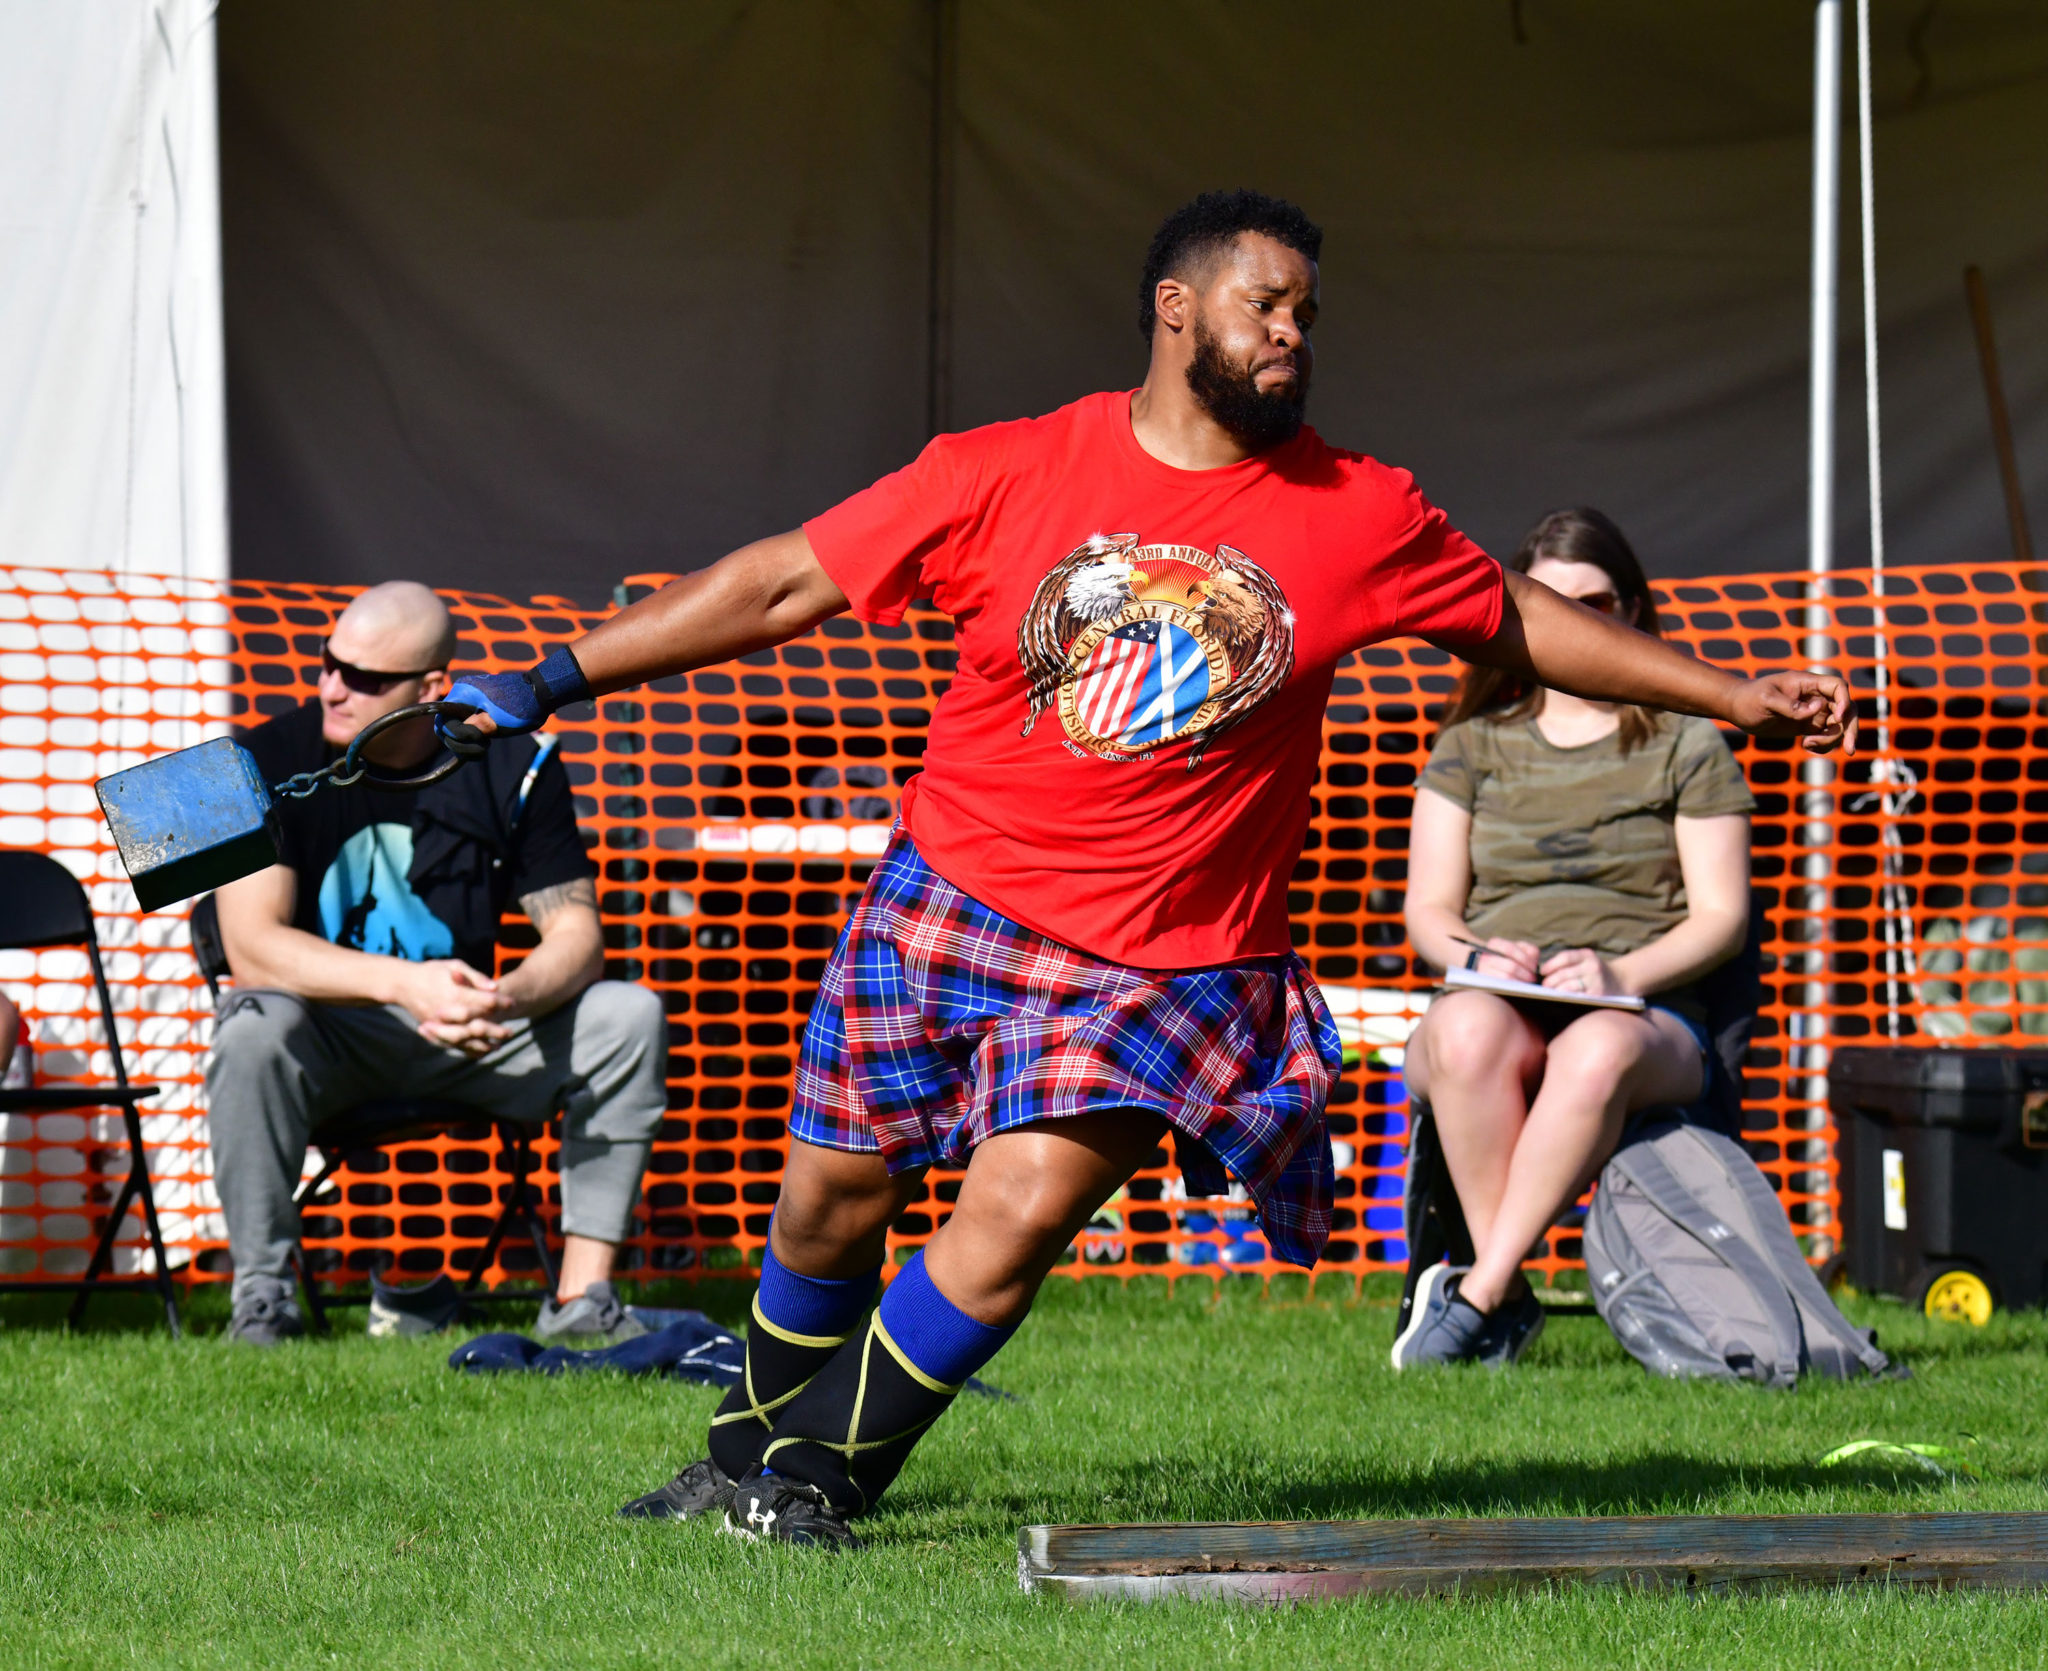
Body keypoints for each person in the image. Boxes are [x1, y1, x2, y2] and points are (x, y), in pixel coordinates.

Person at [443, 191, 1854, 1548]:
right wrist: (553, 675)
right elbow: (777, 583)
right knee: (829, 1200)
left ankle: (816, 1473)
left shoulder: (1358, 510)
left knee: (1018, 1211)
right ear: (1177, 310)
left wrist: (1729, 693)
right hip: (947, 901)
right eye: (1266, 303)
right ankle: (744, 1448)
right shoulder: (1000, 469)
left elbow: (1519, 621)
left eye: (1308, 310)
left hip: (1171, 957)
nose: (1294, 331)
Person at [206, 582, 668, 1346]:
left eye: (363, 678)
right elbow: (253, 945)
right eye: (328, 663)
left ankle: (582, 1296)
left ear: (429, 690)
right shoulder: (259, 757)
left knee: (629, 1014)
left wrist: (509, 997)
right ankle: (264, 1299)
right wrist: (406, 983)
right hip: (331, 1037)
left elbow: (578, 937)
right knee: (250, 1025)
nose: (331, 686)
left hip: (475, 1032)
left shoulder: (515, 762)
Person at [1392, 508, 1757, 1371]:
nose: (1583, 622)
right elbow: (1429, 911)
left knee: (1593, 1048)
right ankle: (1505, 1295)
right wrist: (1477, 957)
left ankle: (1480, 1292)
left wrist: (1617, 971)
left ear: (1632, 610)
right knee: (1462, 1026)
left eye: (1598, 601)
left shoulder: (1689, 744)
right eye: (1556, 606)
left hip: (1648, 1016)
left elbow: (1721, 917)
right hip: (1505, 1002)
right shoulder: (1470, 749)